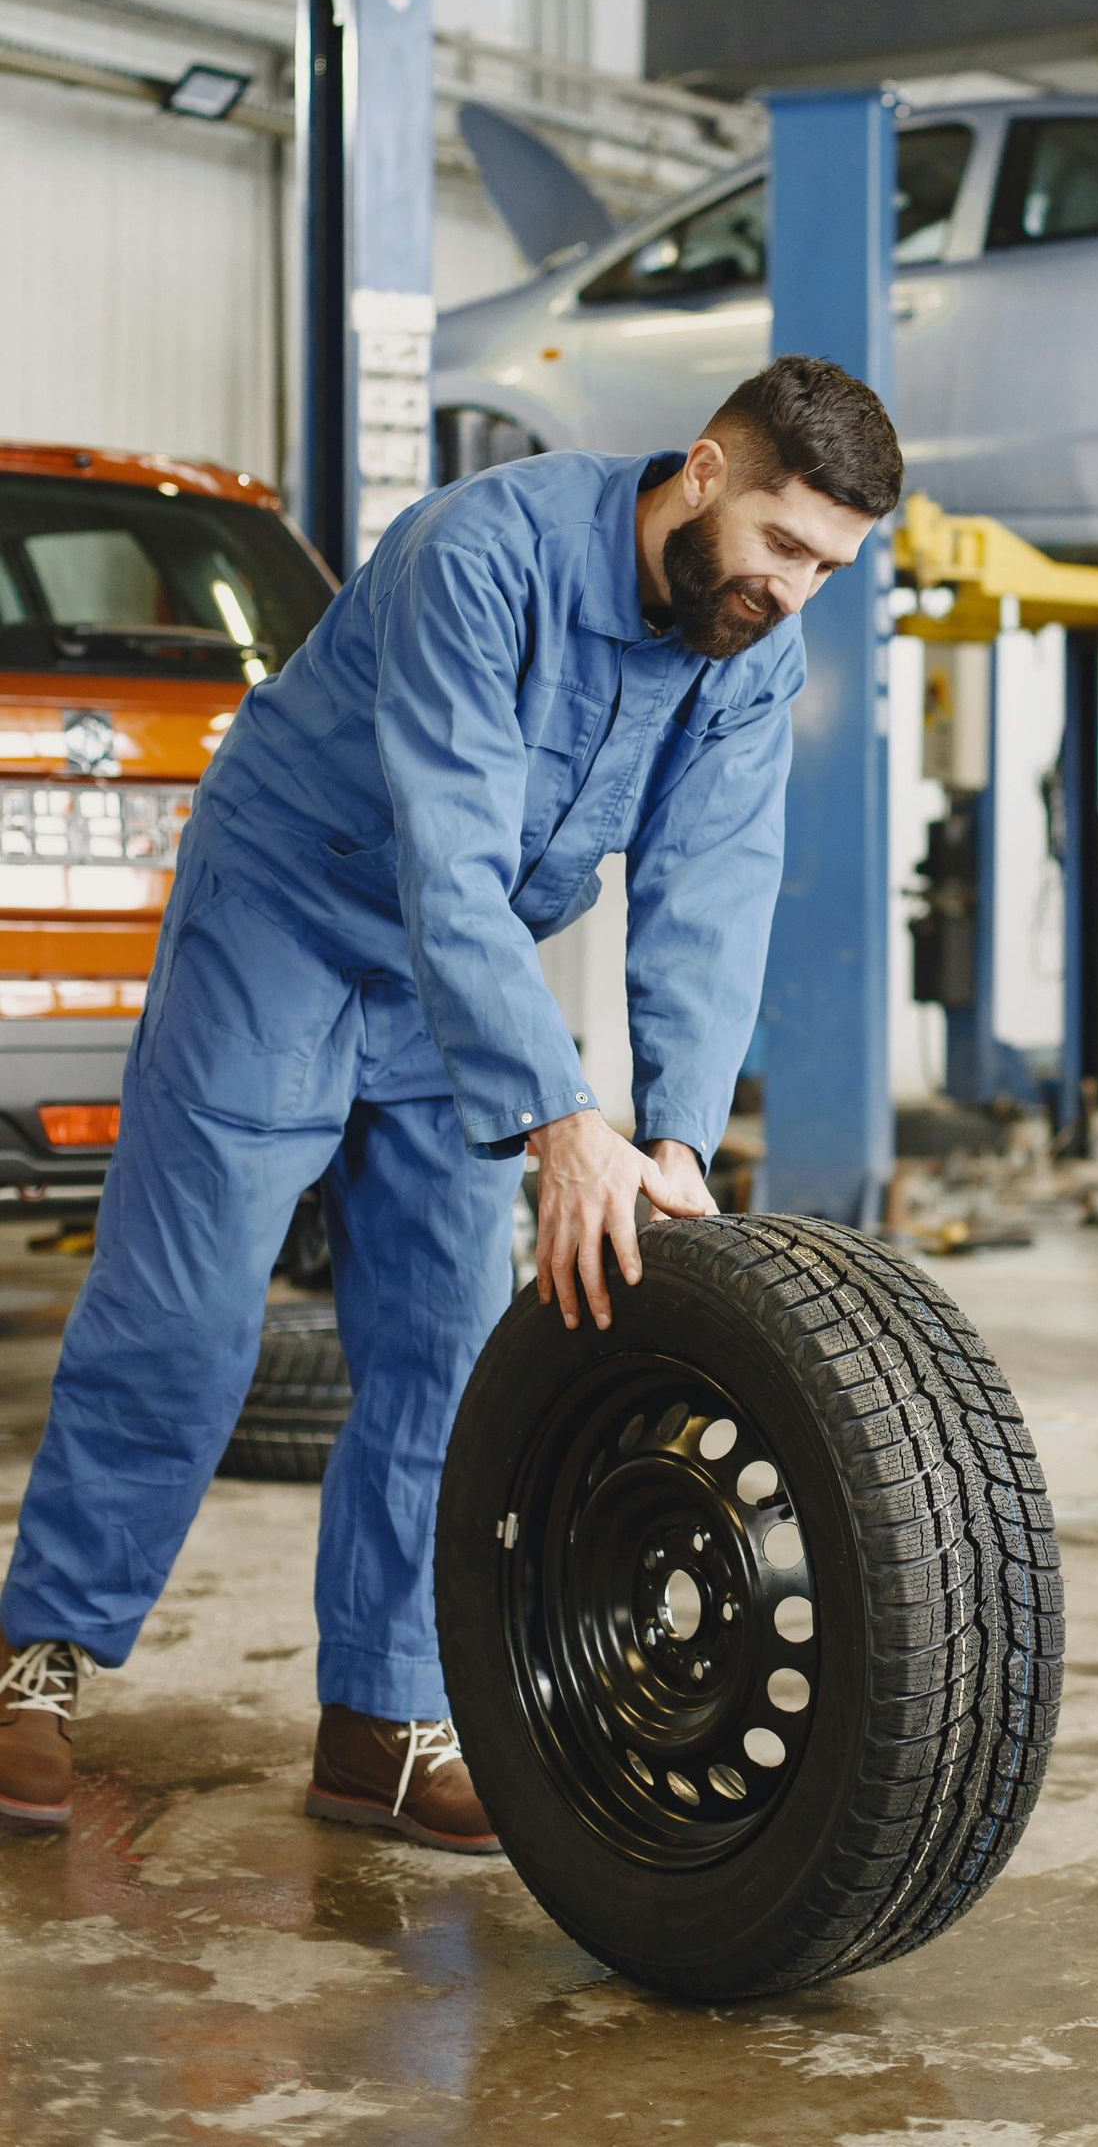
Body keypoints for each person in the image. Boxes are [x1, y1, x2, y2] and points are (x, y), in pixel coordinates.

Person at [0, 354, 901, 1845]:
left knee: (441, 1338)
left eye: (831, 566)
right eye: (784, 545)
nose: (798, 590)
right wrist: (558, 1121)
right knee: (188, 1317)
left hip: (455, 987)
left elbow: (710, 890)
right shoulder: (479, 555)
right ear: (702, 472)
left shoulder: (751, 649)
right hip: (286, 926)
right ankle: (39, 1660)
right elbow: (451, 854)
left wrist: (669, 1132)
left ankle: (381, 1717)